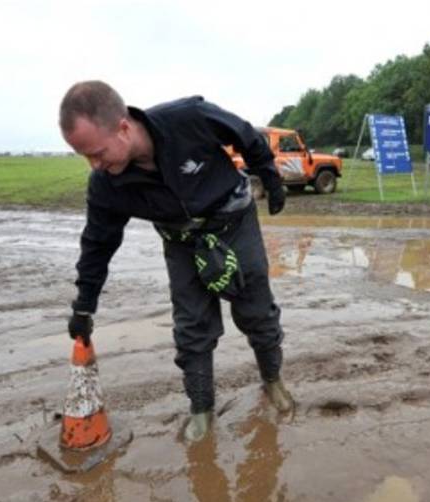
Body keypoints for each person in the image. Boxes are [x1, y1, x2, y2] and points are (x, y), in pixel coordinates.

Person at [59, 80, 293, 441]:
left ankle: (273, 380)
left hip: (234, 222)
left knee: (256, 312)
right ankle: (201, 409)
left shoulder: (189, 117)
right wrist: (84, 306)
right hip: (182, 240)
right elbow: (97, 245)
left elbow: (245, 134)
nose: (95, 165)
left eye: (98, 153)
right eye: (85, 157)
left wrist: (270, 177)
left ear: (123, 128)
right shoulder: (106, 184)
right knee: (192, 327)